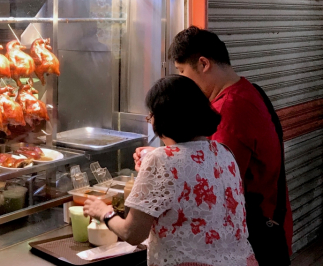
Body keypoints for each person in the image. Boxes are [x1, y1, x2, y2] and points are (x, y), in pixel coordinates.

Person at [135, 26, 292, 265]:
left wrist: (160, 160)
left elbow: (209, 180)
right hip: (264, 224)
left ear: (203, 64)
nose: (180, 80)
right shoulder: (247, 91)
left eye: (182, 71)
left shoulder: (228, 111)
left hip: (254, 234)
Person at [85, 76, 257, 266]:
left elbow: (132, 233)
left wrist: (104, 212)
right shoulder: (224, 153)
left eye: (150, 116)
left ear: (162, 119)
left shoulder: (161, 160)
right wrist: (158, 158)